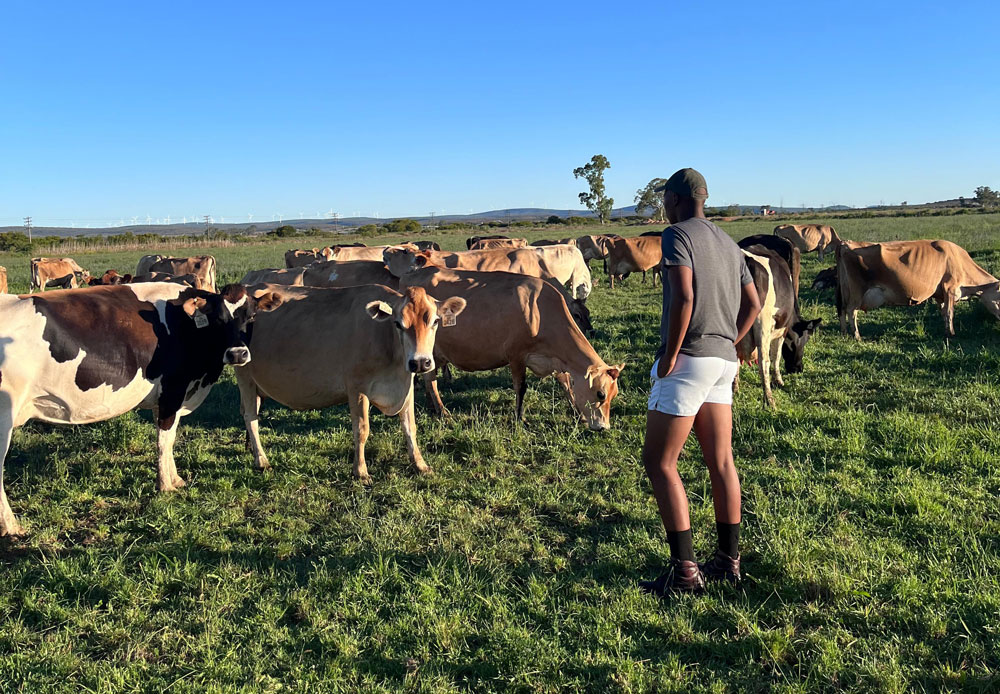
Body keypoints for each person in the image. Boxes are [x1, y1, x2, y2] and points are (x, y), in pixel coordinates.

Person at [639, 168, 761, 596]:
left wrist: (670, 355)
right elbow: (754, 302)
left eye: (664, 201)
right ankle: (729, 563)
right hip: (723, 361)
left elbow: (685, 296)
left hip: (688, 359)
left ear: (673, 199)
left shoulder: (677, 236)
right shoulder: (729, 243)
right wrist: (732, 339)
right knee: (721, 461)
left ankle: (686, 572)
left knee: (660, 462)